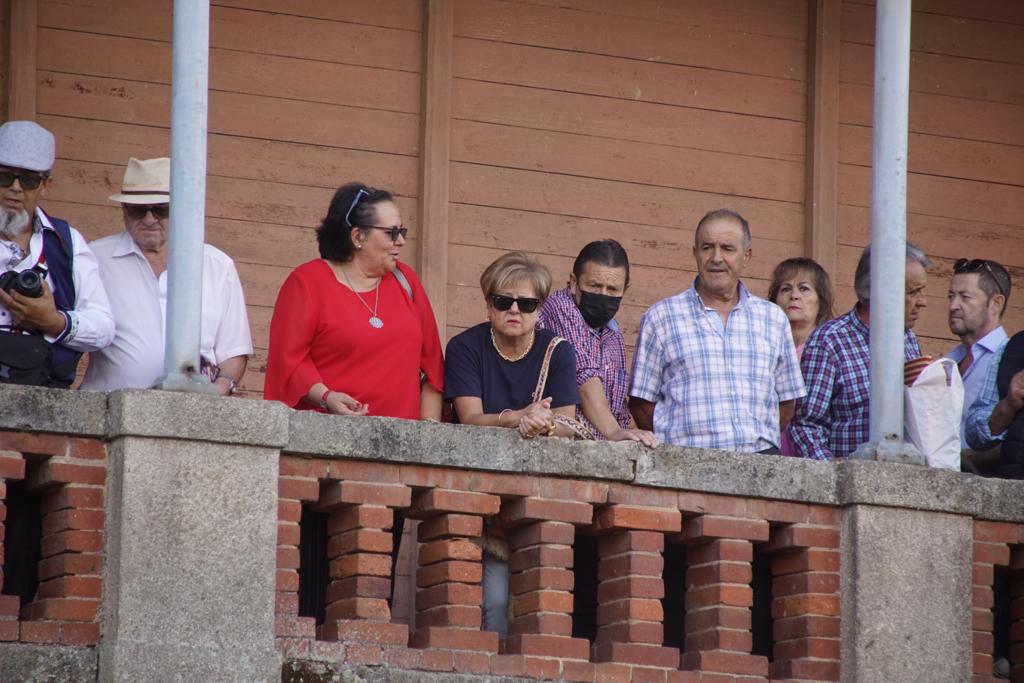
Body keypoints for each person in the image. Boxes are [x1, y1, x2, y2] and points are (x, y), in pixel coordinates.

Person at [444, 251, 580, 638]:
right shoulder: (465, 347)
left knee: (549, 612)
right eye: (503, 301)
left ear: (540, 309)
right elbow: (469, 419)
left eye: (527, 303)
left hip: (542, 499)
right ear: (488, 305)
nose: (515, 310)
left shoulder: (558, 351)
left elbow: (568, 422)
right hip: (482, 499)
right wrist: (518, 417)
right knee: (495, 605)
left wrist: (542, 424)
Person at [628, 209, 805, 452]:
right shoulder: (661, 317)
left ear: (746, 256)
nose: (716, 258)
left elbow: (787, 402)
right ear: (695, 253)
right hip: (685, 465)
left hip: (761, 465)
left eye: (728, 248)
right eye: (707, 247)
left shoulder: (773, 319)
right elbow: (641, 403)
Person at [264, 182, 443, 419]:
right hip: (325, 436)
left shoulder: (406, 280)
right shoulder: (307, 282)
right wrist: (326, 397)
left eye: (402, 232)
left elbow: (433, 367)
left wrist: (428, 435)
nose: (401, 241)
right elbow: (289, 361)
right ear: (358, 236)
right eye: (391, 233)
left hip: (402, 447)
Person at [81, 158, 253, 393]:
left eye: (161, 209)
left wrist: (216, 393)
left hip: (192, 414)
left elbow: (233, 353)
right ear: (124, 210)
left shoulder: (217, 266)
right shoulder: (95, 257)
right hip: (108, 410)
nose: (149, 219)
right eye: (138, 209)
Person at [789, 243, 931, 460]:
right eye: (913, 292)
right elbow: (806, 425)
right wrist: (834, 476)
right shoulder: (830, 341)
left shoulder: (908, 339)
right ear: (879, 289)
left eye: (922, 291)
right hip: (851, 486)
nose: (923, 302)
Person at [0, 120, 114, 386]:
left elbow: (104, 326)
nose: (16, 188)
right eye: (5, 176)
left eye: (28, 180)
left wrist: (54, 322)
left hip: (42, 389)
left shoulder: (67, 241)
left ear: (46, 185)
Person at [538, 239, 656, 447]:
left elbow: (618, 406)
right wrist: (614, 431)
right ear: (574, 283)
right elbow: (583, 375)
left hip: (597, 452)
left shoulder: (613, 334)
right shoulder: (561, 309)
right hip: (557, 446)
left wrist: (637, 436)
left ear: (624, 290)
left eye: (612, 290)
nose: (603, 295)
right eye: (594, 285)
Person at [767, 257, 834, 456]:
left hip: (816, 453)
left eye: (804, 288)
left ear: (821, 300)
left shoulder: (828, 349)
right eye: (786, 289)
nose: (794, 296)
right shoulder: (765, 349)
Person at [945, 258, 1010, 451]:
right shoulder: (951, 358)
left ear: (996, 304)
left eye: (965, 297)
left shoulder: (1008, 360)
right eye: (951, 296)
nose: (953, 305)